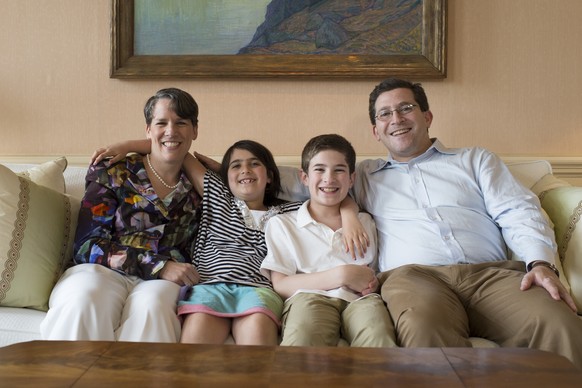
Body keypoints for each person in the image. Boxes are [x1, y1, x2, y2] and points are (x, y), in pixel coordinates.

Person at [353, 77, 582, 367]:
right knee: (422, 330)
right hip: (414, 279)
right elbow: (313, 187)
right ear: (376, 131)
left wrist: (540, 264)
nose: (396, 118)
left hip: (491, 276)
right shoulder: (363, 175)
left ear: (427, 116)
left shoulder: (475, 160)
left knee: (558, 322)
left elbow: (518, 211)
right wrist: (349, 212)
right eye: (385, 113)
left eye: (406, 108)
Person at [40, 88, 202, 342]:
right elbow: (86, 246)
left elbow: (239, 206)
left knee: (154, 308)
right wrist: (158, 265)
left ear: (195, 130)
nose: (171, 130)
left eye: (181, 123)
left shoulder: (200, 186)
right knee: (84, 299)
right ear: (148, 130)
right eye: (162, 123)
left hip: (163, 283)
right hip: (101, 271)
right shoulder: (113, 171)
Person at [261, 134, 396, 347]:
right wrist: (342, 275)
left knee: (377, 337)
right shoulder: (283, 224)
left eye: (339, 170)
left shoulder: (365, 222)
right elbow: (281, 284)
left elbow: (375, 271)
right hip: (308, 298)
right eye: (319, 169)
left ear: (351, 179)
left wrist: (372, 283)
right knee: (304, 337)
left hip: (360, 300)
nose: (329, 178)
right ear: (304, 177)